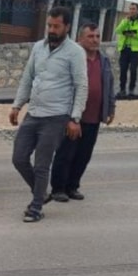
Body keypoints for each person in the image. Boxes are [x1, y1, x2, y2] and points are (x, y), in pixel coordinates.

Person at [9, 6, 88, 223]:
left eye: (56, 26)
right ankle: (41, 193)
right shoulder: (38, 48)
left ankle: (35, 208)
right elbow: (27, 78)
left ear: (67, 27)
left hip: (56, 117)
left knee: (42, 164)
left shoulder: (75, 52)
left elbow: (81, 86)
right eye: (49, 25)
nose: (52, 30)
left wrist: (75, 118)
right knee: (19, 158)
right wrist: (17, 105)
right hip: (33, 113)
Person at [49, 23, 116, 203]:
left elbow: (109, 84)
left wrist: (110, 108)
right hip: (72, 117)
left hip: (94, 117)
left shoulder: (103, 60)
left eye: (97, 36)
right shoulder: (72, 58)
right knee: (66, 153)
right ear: (80, 39)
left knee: (84, 155)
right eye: (90, 36)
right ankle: (58, 188)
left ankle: (73, 186)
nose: (95, 40)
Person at [115, 2, 138, 97]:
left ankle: (131, 89)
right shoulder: (126, 20)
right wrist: (126, 21)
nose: (131, 11)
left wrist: (135, 35)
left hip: (136, 49)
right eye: (130, 9)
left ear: (137, 10)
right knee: (123, 70)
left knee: (133, 69)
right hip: (125, 48)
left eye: (133, 9)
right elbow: (118, 30)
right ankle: (122, 89)